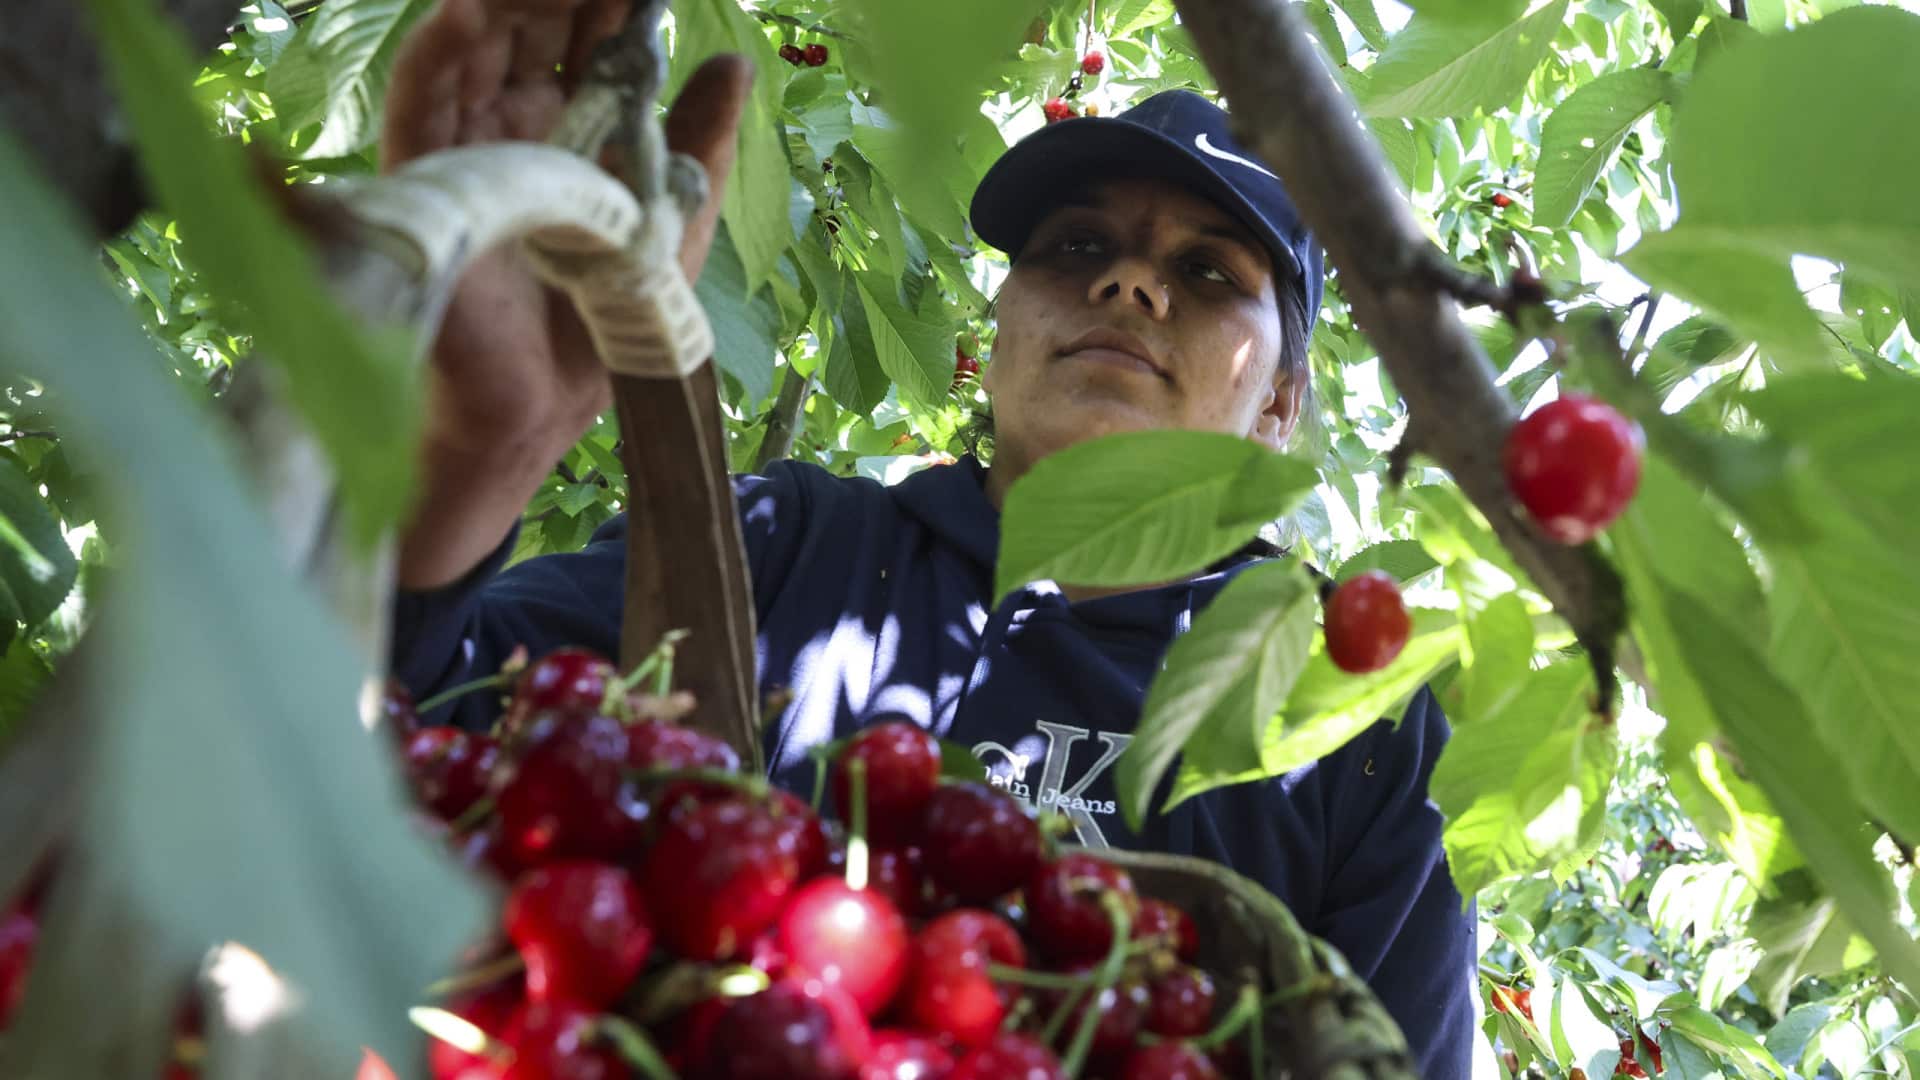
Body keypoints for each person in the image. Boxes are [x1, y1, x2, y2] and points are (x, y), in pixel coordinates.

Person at [381, 3, 1476, 1075]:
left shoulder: (1354, 720)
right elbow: (393, 744)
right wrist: (484, 444)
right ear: (993, 330)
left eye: (1207, 273)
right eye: (1078, 244)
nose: (1128, 282)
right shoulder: (778, 546)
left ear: (1281, 404)